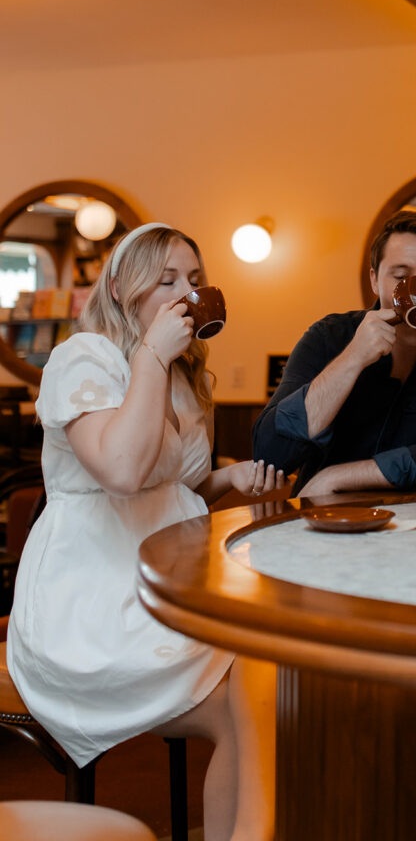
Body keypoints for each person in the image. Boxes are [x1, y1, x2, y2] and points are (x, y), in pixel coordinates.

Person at [8, 223, 283, 841]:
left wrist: (230, 477)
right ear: (123, 290)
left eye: (194, 280)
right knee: (252, 710)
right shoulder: (85, 358)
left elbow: (172, 492)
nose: (186, 293)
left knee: (270, 680)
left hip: (168, 581)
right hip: (93, 597)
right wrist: (151, 356)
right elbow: (125, 472)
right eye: (167, 282)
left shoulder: (182, 376)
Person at [253, 211, 416, 498]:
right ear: (374, 280)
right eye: (401, 275)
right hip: (325, 524)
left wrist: (338, 476)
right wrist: (352, 358)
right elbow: (270, 457)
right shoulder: (329, 337)